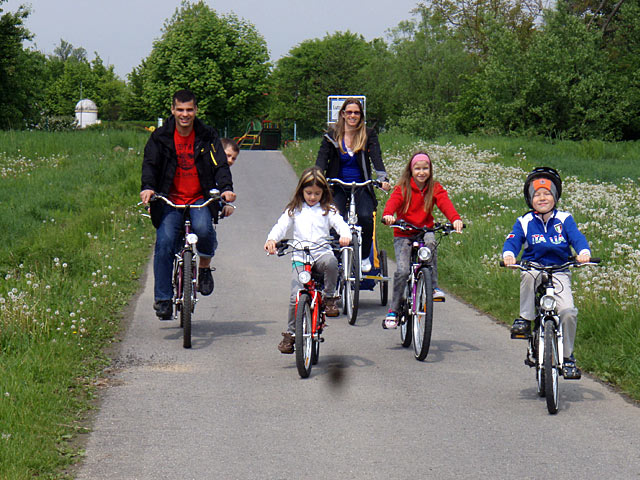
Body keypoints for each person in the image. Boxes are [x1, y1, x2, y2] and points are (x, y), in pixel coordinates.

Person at [140, 89, 236, 320]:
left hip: (199, 198)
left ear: (196, 110)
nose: (185, 114)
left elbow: (220, 163)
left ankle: (203, 269)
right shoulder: (160, 137)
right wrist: (148, 187)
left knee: (204, 229)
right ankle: (163, 299)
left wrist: (226, 189)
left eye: (189, 110)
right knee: (164, 243)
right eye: (180, 110)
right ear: (172, 110)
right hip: (170, 200)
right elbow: (150, 164)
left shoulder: (207, 135)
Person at [502, 166, 591, 379]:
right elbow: (513, 239)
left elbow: (576, 237)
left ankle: (568, 357)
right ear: (530, 199)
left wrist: (583, 252)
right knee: (527, 275)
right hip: (534, 266)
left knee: (568, 312)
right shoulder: (525, 221)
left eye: (547, 193)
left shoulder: (564, 219)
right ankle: (525, 318)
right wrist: (509, 254)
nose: (542, 198)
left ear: (556, 196)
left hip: (560, 270)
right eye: (537, 194)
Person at [264, 167, 351, 354]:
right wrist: (272, 240)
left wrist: (345, 235)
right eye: (309, 193)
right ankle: (291, 334)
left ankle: (329, 298)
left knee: (332, 263)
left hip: (321, 253)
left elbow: (341, 225)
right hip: (300, 257)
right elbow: (281, 226)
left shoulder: (329, 210)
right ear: (301, 191)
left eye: (317, 193)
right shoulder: (294, 209)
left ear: (324, 193)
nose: (312, 197)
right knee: (295, 296)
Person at [381, 152, 463, 329]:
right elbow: (393, 202)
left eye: (425, 168)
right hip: (404, 232)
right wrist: (388, 215)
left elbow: (445, 203)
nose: (421, 172)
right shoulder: (403, 187)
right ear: (411, 170)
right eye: (417, 168)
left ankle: (433, 286)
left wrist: (455, 219)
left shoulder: (435, 188)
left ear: (430, 170)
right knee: (402, 271)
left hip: (425, 230)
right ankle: (393, 310)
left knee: (432, 242)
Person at [315, 98, 390, 273]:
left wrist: (382, 178)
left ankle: (364, 256)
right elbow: (322, 158)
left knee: (365, 216)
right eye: (349, 112)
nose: (352, 116)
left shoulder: (368, 134)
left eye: (356, 112)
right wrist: (317, 177)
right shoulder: (331, 135)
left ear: (361, 115)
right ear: (342, 114)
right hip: (338, 184)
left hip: (361, 184)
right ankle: (335, 258)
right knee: (335, 217)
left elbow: (376, 157)